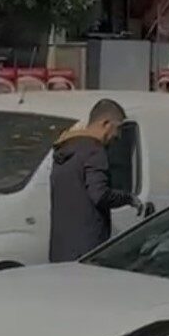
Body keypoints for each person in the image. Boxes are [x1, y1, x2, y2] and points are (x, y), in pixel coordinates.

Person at [48, 99, 141, 263]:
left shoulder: (63, 150)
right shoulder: (94, 151)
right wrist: (128, 198)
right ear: (105, 123)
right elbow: (100, 195)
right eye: (117, 128)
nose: (118, 136)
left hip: (60, 249)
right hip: (88, 249)